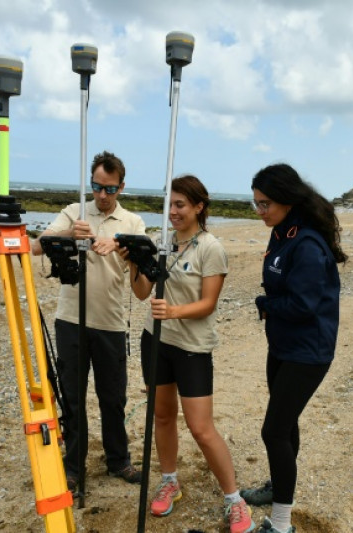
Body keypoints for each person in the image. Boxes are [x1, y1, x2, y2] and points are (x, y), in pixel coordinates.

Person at [121, 175, 254, 533]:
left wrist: (174, 312)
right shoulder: (162, 243)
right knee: (162, 417)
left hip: (192, 348)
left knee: (200, 427)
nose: (174, 212)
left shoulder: (210, 248)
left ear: (199, 206)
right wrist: (135, 261)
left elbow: (208, 304)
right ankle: (170, 481)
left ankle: (234, 499)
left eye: (180, 205)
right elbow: (141, 293)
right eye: (170, 205)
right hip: (156, 340)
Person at [241, 163, 347, 533]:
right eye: (255, 204)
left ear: (287, 199)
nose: (260, 212)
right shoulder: (281, 233)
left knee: (273, 431)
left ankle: (283, 524)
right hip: (283, 346)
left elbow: (303, 306)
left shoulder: (307, 244)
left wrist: (265, 304)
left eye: (265, 204)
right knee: (285, 426)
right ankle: (278, 486)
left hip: (308, 352)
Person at [32, 150, 144, 491]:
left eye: (109, 189)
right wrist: (70, 235)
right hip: (70, 321)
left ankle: (118, 460)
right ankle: (74, 467)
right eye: (97, 187)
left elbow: (142, 269)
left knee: (113, 398)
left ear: (121, 187)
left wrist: (123, 245)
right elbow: (37, 247)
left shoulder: (133, 223)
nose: (102, 195)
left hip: (110, 322)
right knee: (72, 396)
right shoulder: (73, 212)